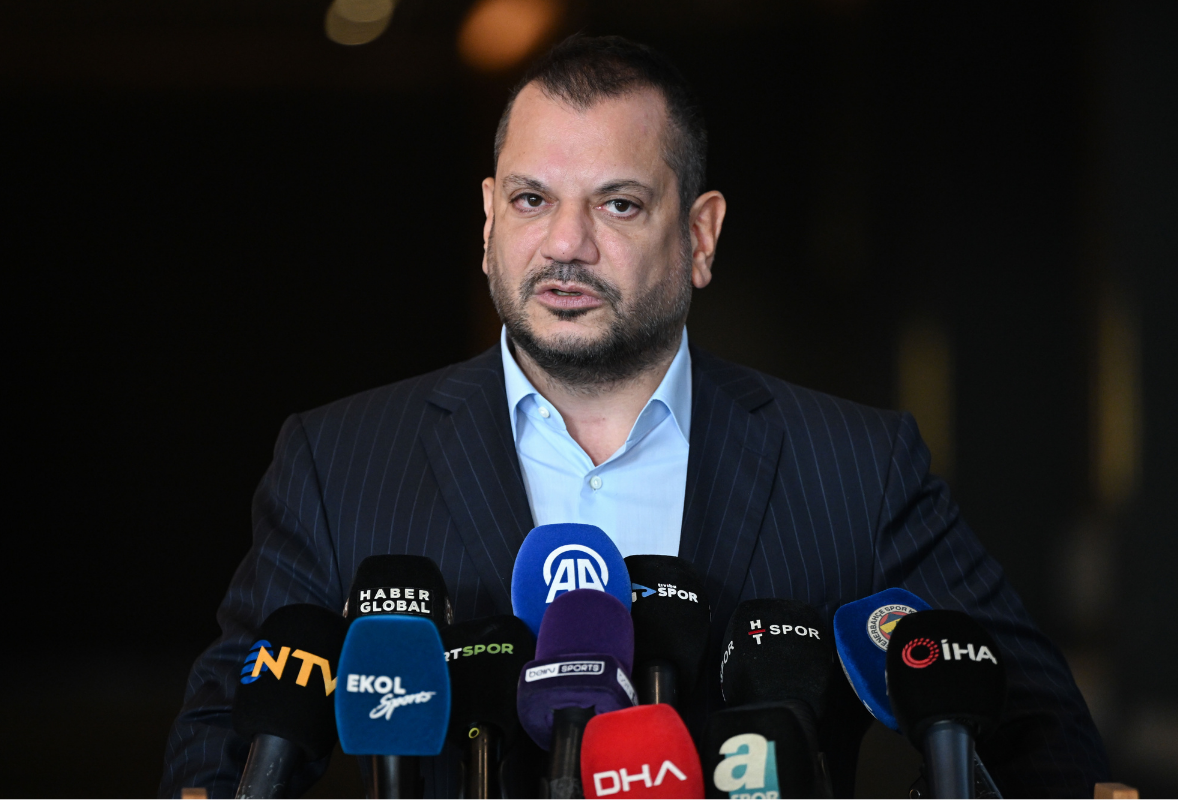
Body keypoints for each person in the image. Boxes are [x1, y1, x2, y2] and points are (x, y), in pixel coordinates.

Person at [160, 35, 1108, 798]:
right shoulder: (336, 462)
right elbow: (220, 748)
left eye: (617, 204)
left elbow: (1042, 737)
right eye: (532, 200)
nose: (565, 244)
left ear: (699, 235)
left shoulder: (860, 466)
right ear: (489, 221)